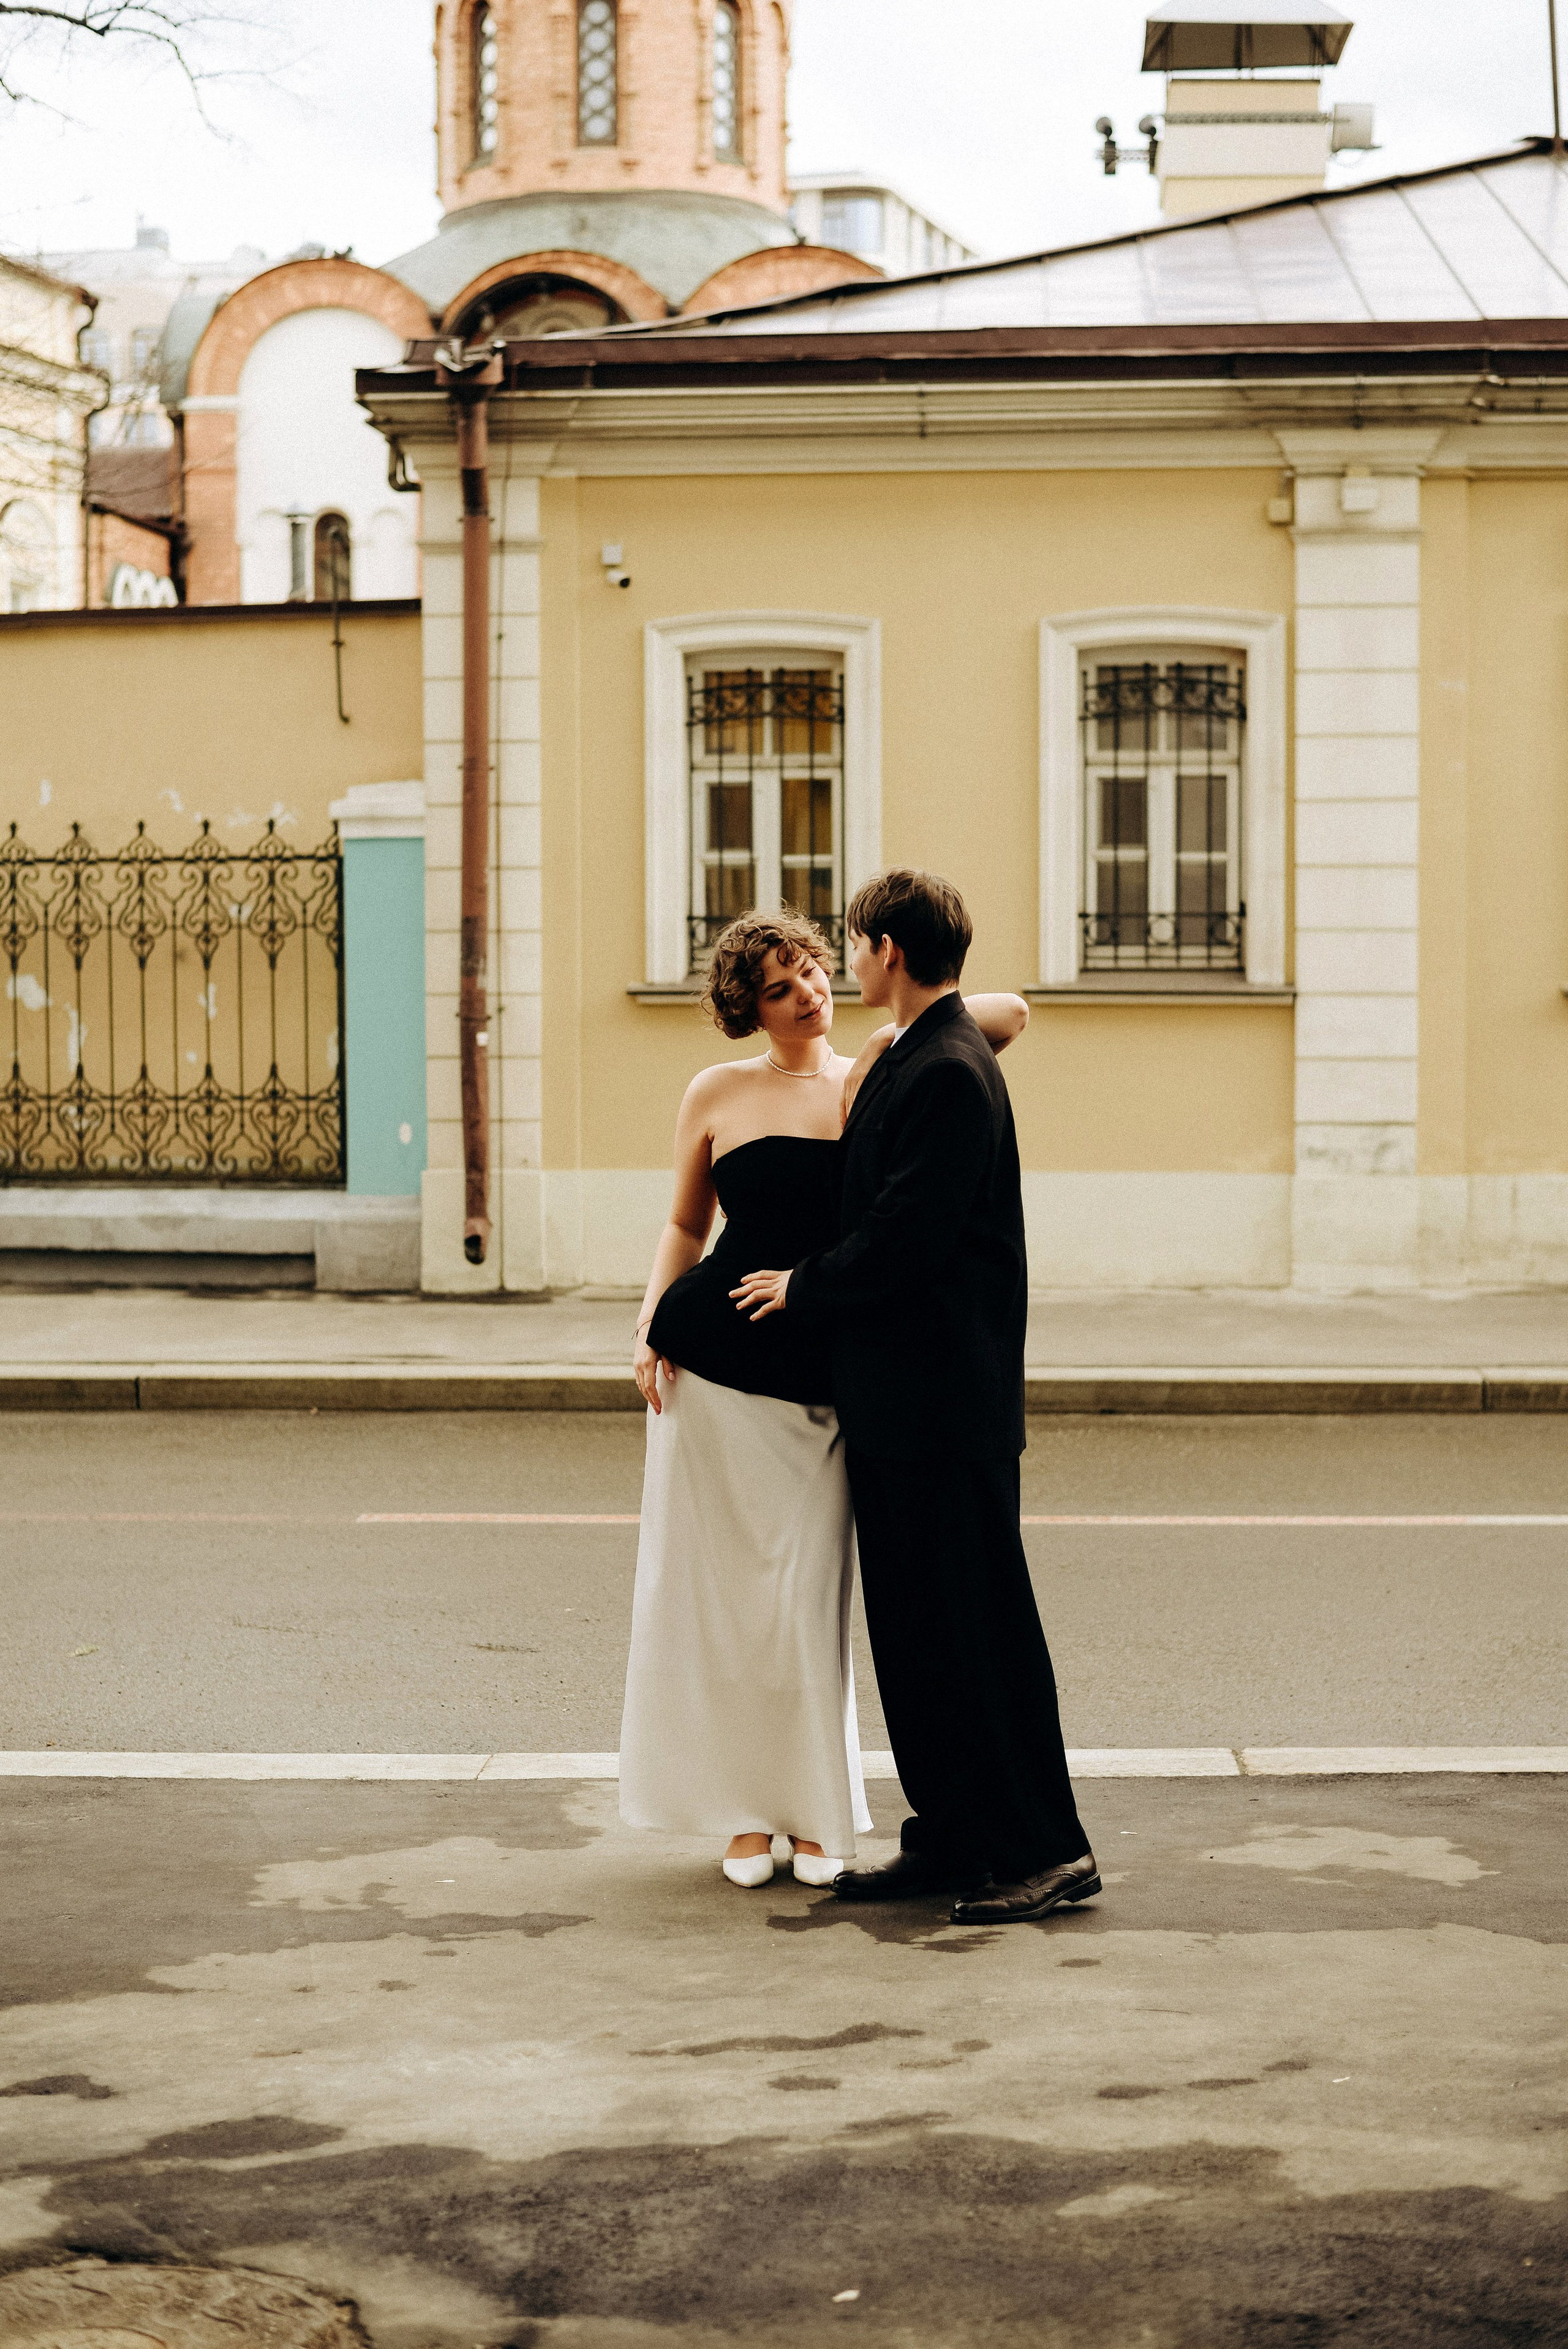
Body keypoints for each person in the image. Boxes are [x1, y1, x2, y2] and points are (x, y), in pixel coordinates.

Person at [620, 905, 1027, 1891]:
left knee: (805, 1603)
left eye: (810, 967)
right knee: (723, 1602)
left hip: (825, 1372)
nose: (806, 990)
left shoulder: (878, 1073)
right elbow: (685, 1224)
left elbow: (1008, 1012)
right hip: (713, 1367)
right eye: (778, 986)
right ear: (744, 1009)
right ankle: (746, 1814)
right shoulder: (715, 1089)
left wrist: (904, 1013)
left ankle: (813, 1807)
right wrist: (642, 1328)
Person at [731, 869, 1099, 1925]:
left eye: (850, 942)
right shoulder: (919, 1050)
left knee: (979, 1635)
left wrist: (805, 1283)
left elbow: (907, 1238)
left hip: (945, 1410)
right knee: (921, 1641)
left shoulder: (946, 1068)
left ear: (888, 949)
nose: (841, 963)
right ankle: (951, 1837)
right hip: (903, 1409)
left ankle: (1045, 1850)